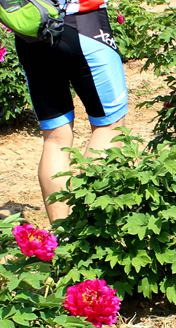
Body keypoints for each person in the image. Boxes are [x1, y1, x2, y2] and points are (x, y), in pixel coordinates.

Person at [13, 0, 128, 221]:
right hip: (84, 24)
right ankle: (89, 227)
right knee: (110, 127)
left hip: (33, 30)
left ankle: (63, 235)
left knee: (55, 139)